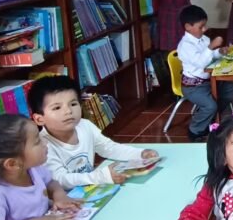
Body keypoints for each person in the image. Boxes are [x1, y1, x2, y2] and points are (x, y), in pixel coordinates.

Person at [29, 75, 158, 187]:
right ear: (39, 119)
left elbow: (109, 148)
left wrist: (140, 154)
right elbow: (60, 180)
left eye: (73, 104)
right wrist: (100, 177)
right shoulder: (42, 146)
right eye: (57, 108)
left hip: (90, 189)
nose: (68, 111)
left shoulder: (85, 126)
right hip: (65, 201)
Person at [172, 5, 233, 141]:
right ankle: (195, 130)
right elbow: (201, 63)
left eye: (205, 25)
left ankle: (210, 117)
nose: (205, 29)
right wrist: (211, 47)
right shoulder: (185, 45)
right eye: (201, 26)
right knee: (210, 105)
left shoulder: (204, 39)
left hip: (208, 81)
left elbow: (209, 56)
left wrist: (219, 52)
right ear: (188, 27)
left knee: (230, 90)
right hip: (192, 87)